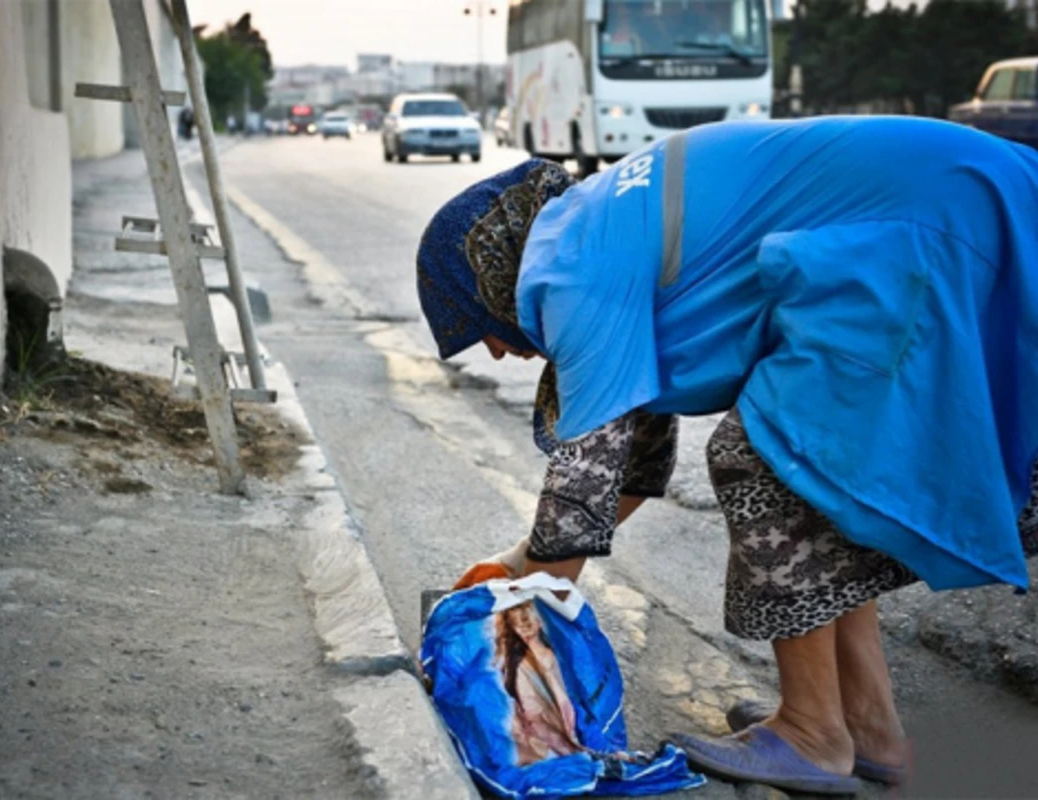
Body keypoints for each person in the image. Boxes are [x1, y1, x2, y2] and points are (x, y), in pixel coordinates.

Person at [416, 116, 1038, 795]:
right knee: (828, 481)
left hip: (935, 220)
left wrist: (502, 622)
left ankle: (811, 732)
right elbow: (632, 467)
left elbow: (581, 500)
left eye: (478, 328)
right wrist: (510, 568)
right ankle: (866, 728)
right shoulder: (597, 230)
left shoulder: (570, 268)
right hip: (961, 194)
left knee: (773, 455)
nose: (498, 352)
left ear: (489, 272)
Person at [495, 601, 582, 765]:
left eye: (528, 622)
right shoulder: (521, 665)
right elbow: (531, 708)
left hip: (562, 720)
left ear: (540, 622)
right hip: (542, 727)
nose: (525, 628)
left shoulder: (555, 655)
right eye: (519, 625)